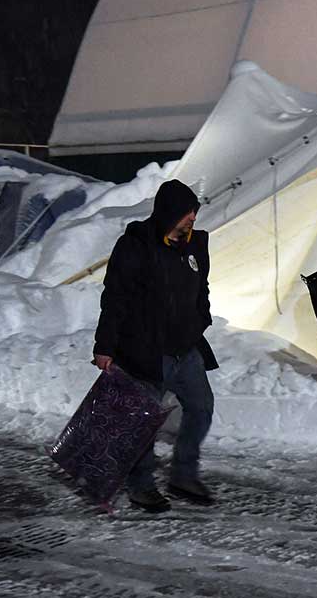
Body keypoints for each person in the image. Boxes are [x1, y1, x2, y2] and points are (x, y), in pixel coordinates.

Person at [93, 179, 219, 513]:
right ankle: (141, 486)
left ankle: (183, 475)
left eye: (194, 211)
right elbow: (115, 297)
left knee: (201, 405)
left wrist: (200, 318)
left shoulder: (195, 245)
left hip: (185, 347)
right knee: (142, 420)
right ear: (168, 213)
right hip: (146, 349)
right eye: (186, 212)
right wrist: (105, 345)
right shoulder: (136, 246)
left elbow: (201, 287)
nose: (192, 217)